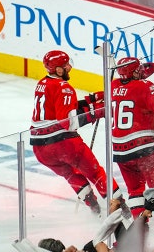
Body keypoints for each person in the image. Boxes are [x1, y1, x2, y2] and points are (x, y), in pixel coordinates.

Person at [29, 50, 121, 214]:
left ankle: (94, 209)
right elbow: (69, 122)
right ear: (58, 70)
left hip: (40, 150)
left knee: (71, 175)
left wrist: (90, 100)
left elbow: (59, 109)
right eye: (66, 65)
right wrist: (96, 111)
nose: (69, 67)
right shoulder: (65, 87)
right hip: (63, 144)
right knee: (96, 173)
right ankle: (122, 210)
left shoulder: (42, 83)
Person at [110, 57, 154, 217]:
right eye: (137, 69)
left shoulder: (112, 85)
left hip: (121, 153)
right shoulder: (145, 86)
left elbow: (129, 89)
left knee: (135, 191)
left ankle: (140, 227)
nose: (141, 71)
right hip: (144, 150)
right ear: (133, 72)